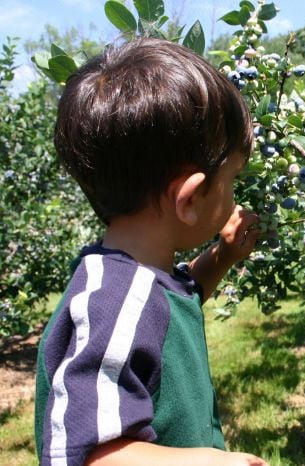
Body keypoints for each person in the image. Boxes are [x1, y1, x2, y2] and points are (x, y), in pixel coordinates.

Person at [33, 37, 266, 466]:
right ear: (191, 199)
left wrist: (222, 257)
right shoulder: (115, 300)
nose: (235, 195)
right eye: (233, 179)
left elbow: (174, 300)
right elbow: (85, 453)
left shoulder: (134, 280)